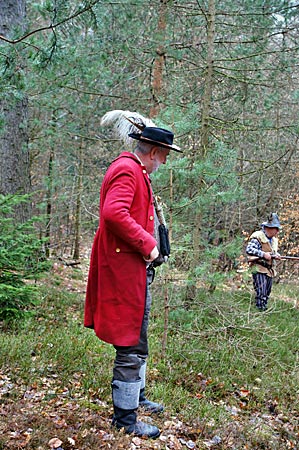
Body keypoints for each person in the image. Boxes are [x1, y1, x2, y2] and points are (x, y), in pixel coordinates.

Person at [84, 111, 182, 439]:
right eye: (164, 156)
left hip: (133, 272)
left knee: (138, 339)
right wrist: (148, 244)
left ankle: (136, 397)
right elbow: (113, 213)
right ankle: (125, 419)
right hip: (124, 273)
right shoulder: (127, 169)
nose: (164, 162)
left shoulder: (135, 169)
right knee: (129, 343)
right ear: (153, 151)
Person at [246, 213, 281, 311]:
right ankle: (259, 310)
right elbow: (249, 249)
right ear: (269, 228)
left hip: (268, 269)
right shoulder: (258, 236)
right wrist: (263, 254)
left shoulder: (273, 240)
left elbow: (272, 252)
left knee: (267, 291)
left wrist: (276, 255)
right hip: (258, 267)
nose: (277, 231)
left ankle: (263, 308)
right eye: (276, 228)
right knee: (261, 291)